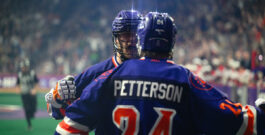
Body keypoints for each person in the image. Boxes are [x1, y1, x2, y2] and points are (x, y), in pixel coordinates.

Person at [54, 12, 265, 135]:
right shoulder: (186, 79)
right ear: (171, 43)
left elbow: (67, 129)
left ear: (140, 39)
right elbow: (237, 120)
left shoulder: (110, 77)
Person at [45, 10, 142, 119]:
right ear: (116, 39)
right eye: (126, 35)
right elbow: (56, 112)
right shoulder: (95, 73)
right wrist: (57, 97)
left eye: (136, 35)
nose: (131, 41)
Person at [17, 58, 38, 131]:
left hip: (32, 94)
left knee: (33, 108)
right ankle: (29, 124)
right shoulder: (19, 74)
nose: (23, 69)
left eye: (25, 67)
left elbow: (36, 82)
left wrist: (35, 90)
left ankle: (31, 114)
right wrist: (19, 90)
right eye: (22, 68)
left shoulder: (32, 73)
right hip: (24, 94)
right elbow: (18, 83)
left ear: (27, 67)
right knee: (26, 109)